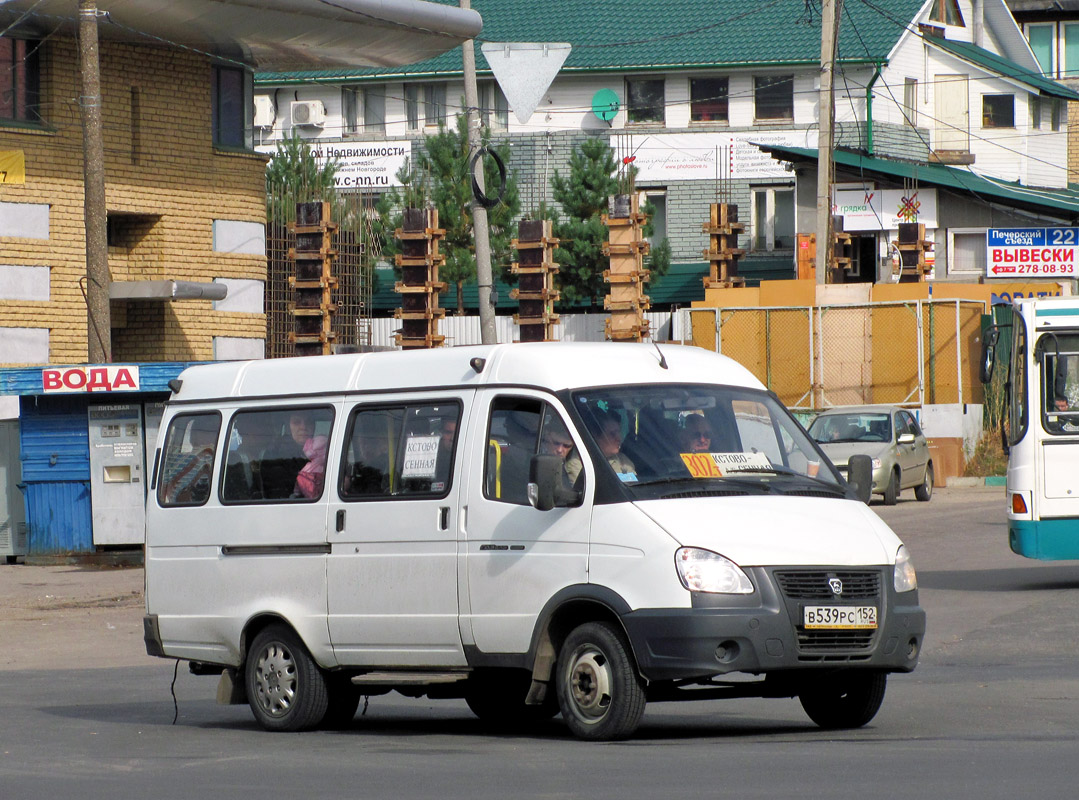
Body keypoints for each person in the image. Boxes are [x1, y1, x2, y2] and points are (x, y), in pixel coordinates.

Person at [567, 410, 635, 483]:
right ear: (595, 436)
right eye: (612, 434)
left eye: (618, 432)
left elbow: (635, 486)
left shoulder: (623, 460)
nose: (619, 438)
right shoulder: (579, 463)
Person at [163, 419, 218, 504]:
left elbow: (163, 491)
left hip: (177, 509)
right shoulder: (214, 458)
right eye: (210, 431)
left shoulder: (174, 459)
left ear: (192, 437)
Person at [259, 411, 312, 499]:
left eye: (309, 422)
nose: (303, 427)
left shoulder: (323, 450)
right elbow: (278, 495)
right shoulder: (276, 455)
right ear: (288, 427)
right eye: (296, 422)